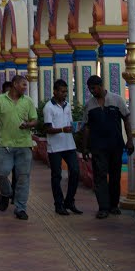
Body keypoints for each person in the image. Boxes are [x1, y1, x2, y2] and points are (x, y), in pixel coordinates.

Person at [0, 74, 37, 221]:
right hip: (4, 145)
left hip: (24, 145)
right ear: (14, 84)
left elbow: (34, 119)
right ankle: (6, 193)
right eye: (23, 85)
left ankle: (20, 208)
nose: (25, 88)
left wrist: (29, 124)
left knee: (23, 178)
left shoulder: (28, 101)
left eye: (26, 85)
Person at [83, 75, 134, 219]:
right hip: (98, 146)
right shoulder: (89, 105)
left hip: (115, 145)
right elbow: (86, 127)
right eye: (90, 89)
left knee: (115, 176)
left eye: (94, 88)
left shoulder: (117, 100)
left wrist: (129, 140)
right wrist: (85, 147)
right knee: (99, 176)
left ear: (101, 85)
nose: (92, 91)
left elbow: (126, 119)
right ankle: (103, 207)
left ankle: (114, 205)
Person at [43, 79, 82, 216]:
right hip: (55, 147)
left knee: (75, 171)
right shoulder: (49, 107)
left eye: (66, 91)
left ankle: (69, 201)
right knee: (56, 176)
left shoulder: (67, 105)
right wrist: (61, 130)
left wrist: (74, 128)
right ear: (55, 91)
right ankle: (58, 204)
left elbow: (69, 123)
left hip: (69, 144)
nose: (65, 94)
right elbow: (47, 129)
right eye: (62, 91)